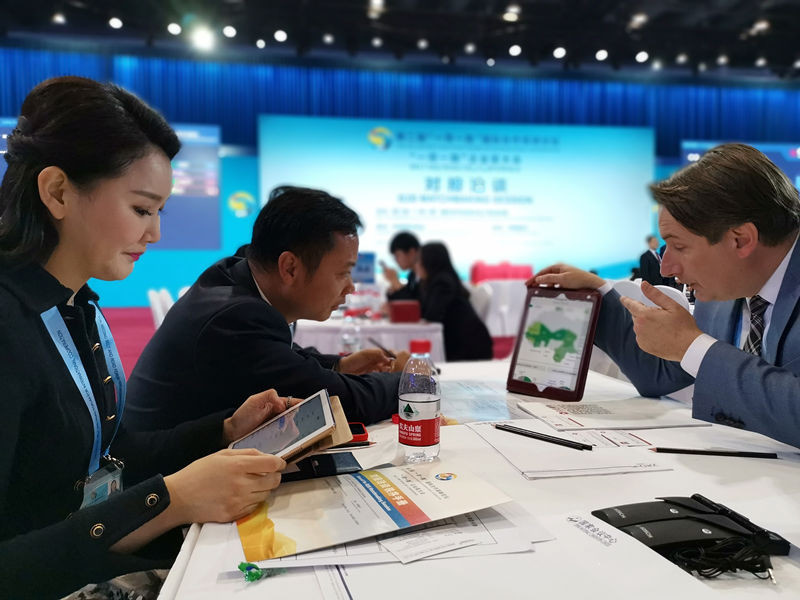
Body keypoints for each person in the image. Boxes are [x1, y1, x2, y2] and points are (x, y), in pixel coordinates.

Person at [0, 77, 290, 598]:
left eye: (159, 212)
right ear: (58, 191)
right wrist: (170, 500)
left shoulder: (76, 306)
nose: (154, 234)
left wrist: (222, 431)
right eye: (141, 209)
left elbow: (110, 454)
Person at [531, 143, 800, 448]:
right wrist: (601, 294)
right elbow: (661, 377)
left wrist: (694, 346)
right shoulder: (723, 290)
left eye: (680, 246)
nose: (668, 267)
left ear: (741, 240)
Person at [126, 186, 409, 432]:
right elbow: (338, 403)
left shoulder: (239, 274)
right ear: (290, 268)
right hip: (157, 474)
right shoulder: (235, 319)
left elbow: (279, 356)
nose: (351, 287)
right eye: (342, 274)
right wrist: (410, 381)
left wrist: (339, 365)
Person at [416, 242, 493, 361]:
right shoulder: (443, 278)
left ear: (429, 262)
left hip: (469, 347)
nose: (417, 265)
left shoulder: (442, 282)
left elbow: (431, 315)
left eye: (419, 260)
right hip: (464, 343)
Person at [383, 231, 421, 300]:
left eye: (397, 255)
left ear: (411, 253)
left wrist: (395, 282)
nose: (396, 260)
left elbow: (413, 304)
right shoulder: (412, 275)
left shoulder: (426, 276)